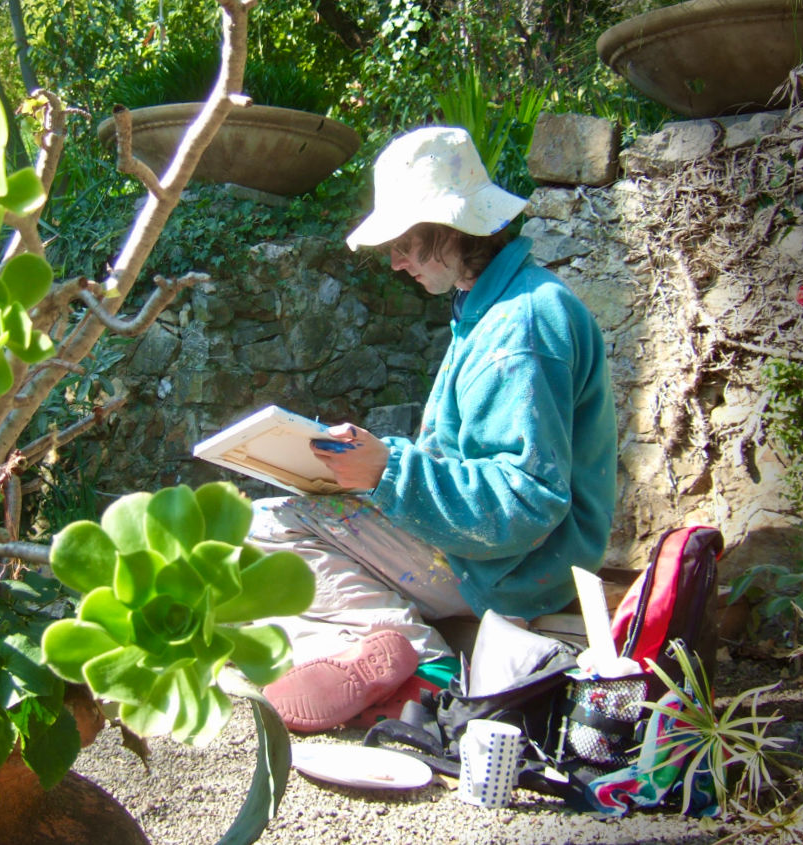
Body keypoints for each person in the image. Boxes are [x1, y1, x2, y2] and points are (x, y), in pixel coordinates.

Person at [255, 126, 618, 732]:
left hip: (515, 566)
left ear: (449, 229)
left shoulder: (519, 327)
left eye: (403, 243)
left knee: (266, 529)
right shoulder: (490, 307)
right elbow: (471, 463)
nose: (395, 262)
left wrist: (388, 470)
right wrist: (371, 469)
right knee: (271, 548)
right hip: (497, 554)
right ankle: (388, 650)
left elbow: (526, 502)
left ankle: (427, 667)